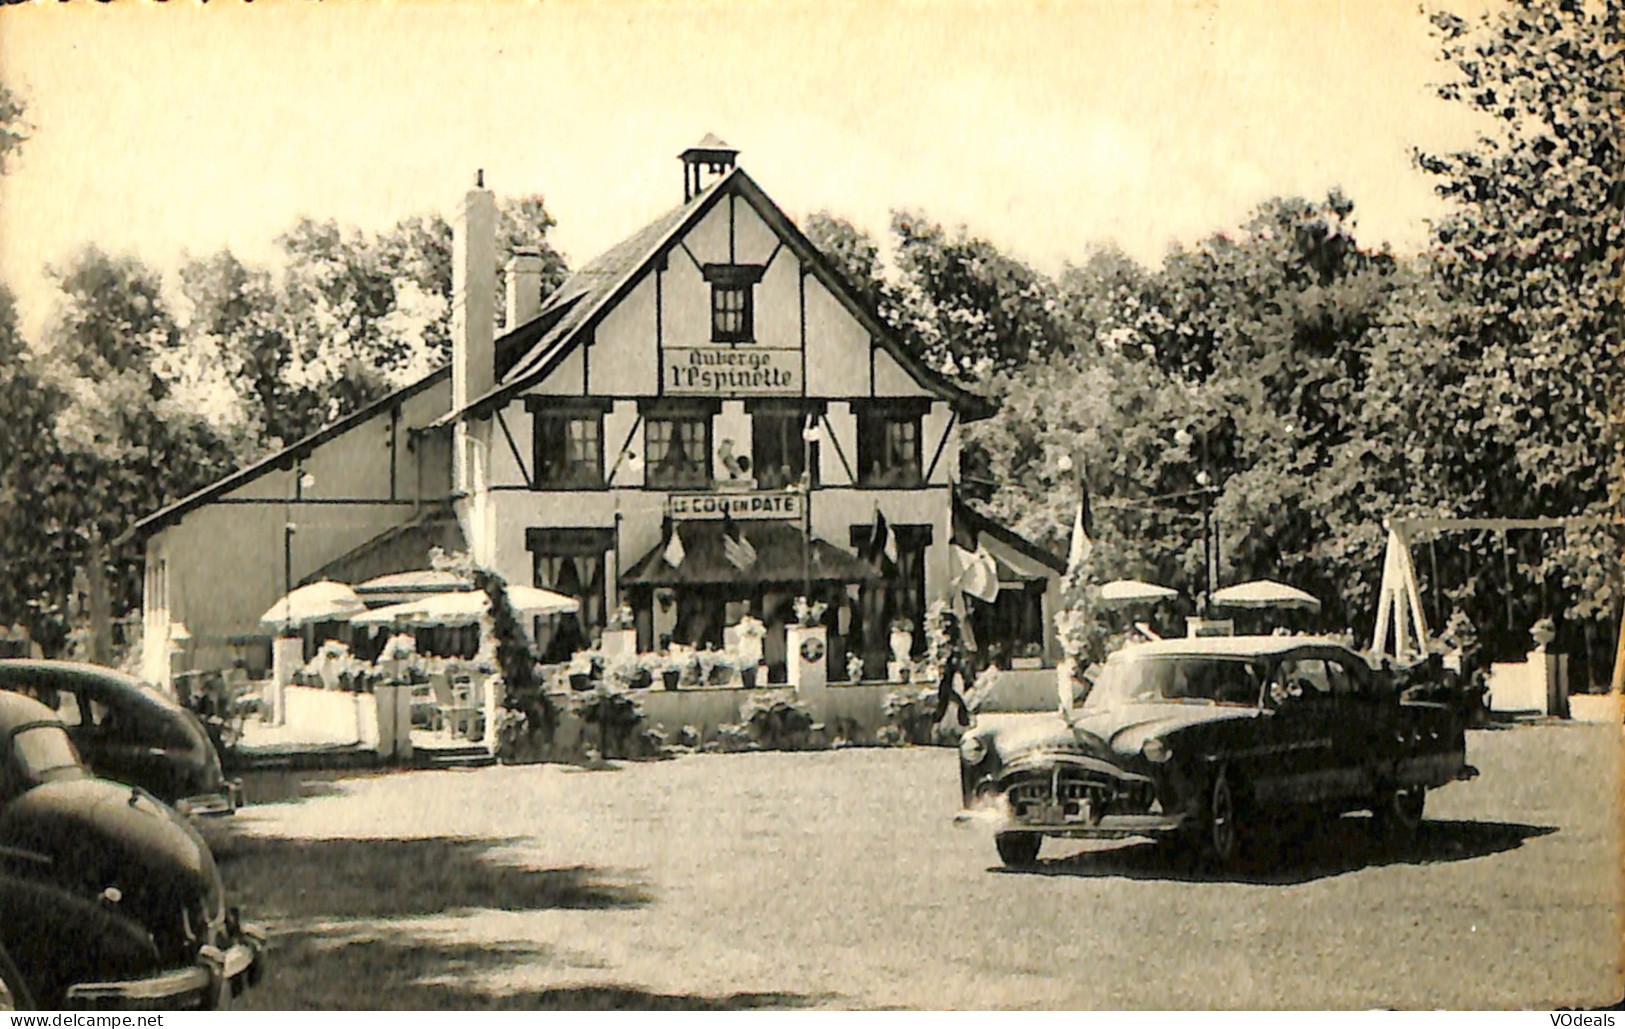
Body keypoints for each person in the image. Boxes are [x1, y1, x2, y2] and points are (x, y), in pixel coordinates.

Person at [932, 612, 973, 727]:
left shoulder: (952, 637)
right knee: (945, 698)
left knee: (947, 697)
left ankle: (940, 720)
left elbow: (956, 654)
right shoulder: (943, 637)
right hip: (946, 672)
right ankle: (940, 720)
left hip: (950, 671)